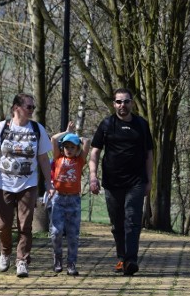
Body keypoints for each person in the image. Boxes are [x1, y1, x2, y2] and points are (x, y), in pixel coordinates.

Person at [0, 94, 53, 278]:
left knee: (25, 224)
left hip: (28, 184)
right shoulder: (1, 128)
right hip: (4, 184)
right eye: (29, 107)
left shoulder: (37, 129)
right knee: (3, 225)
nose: (32, 110)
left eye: (33, 107)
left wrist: (49, 183)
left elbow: (43, 159)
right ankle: (5, 253)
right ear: (16, 108)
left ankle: (22, 261)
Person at [89, 88, 154, 276]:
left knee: (132, 220)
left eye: (126, 102)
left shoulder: (141, 125)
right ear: (114, 104)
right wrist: (93, 176)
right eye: (118, 102)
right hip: (112, 183)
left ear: (132, 103)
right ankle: (121, 258)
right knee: (117, 224)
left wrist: (149, 180)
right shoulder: (107, 124)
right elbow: (95, 151)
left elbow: (149, 154)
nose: (122, 105)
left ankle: (131, 260)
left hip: (136, 182)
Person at [50, 121, 90, 276]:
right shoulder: (58, 157)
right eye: (66, 146)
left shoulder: (80, 160)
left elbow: (87, 142)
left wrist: (76, 138)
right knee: (56, 232)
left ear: (77, 149)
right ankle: (57, 258)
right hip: (59, 199)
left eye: (72, 147)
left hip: (73, 200)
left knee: (73, 234)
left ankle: (71, 263)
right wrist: (67, 132)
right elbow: (53, 139)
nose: (69, 150)